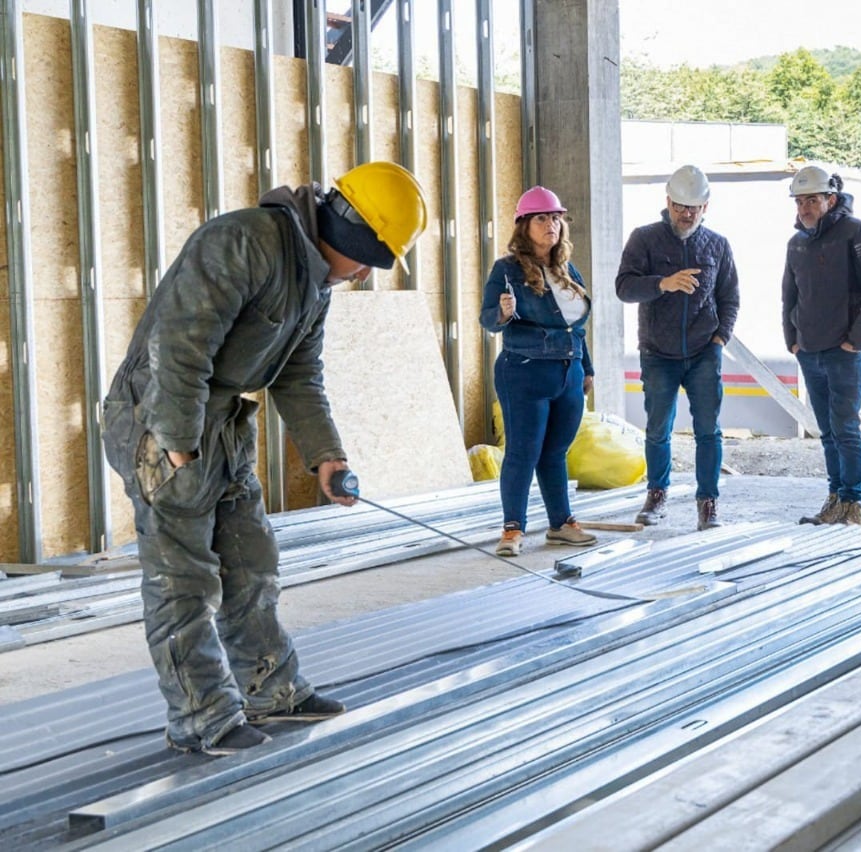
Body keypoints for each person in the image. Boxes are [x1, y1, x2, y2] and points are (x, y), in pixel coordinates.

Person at [101, 161, 430, 755]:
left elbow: (300, 376)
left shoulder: (314, 284)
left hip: (222, 425)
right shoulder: (243, 242)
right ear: (355, 236)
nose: (363, 274)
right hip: (161, 419)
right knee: (185, 580)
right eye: (371, 259)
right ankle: (203, 717)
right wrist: (176, 442)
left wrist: (326, 456)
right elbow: (178, 344)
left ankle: (271, 690)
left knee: (251, 561)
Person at [615, 164, 740, 531]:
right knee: (657, 428)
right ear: (667, 202)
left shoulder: (717, 245)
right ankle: (657, 494)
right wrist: (663, 284)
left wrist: (720, 339)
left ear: (706, 207)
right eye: (680, 206)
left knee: (708, 429)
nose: (687, 214)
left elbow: (730, 297)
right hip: (658, 353)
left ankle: (708, 502)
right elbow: (624, 287)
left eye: (694, 208)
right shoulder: (644, 239)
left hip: (704, 351)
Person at [479, 186, 597, 557]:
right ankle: (512, 529)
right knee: (523, 452)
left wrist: (587, 368)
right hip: (525, 373)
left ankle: (561, 524)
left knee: (556, 452)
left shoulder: (566, 269)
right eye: (542, 218)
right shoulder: (507, 270)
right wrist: (502, 310)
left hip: (569, 373)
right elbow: (489, 320)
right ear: (524, 226)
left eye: (556, 218)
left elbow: (574, 326)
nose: (552, 225)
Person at [781, 166, 861, 526]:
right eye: (800, 201)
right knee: (828, 430)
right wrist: (793, 341)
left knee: (845, 428)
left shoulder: (857, 232)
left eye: (812, 200)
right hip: (810, 350)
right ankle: (835, 499)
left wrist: (855, 341)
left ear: (831, 199)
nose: (805, 208)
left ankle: (854, 503)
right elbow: (789, 296)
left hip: (845, 352)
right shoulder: (797, 243)